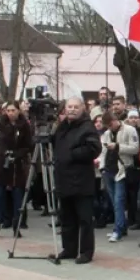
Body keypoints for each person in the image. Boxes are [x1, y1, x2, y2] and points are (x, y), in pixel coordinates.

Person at [52, 98, 103, 263]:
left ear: (82, 109)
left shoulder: (87, 127)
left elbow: (94, 148)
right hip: (64, 179)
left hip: (81, 180)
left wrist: (72, 154)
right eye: (69, 107)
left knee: (84, 219)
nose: (72, 110)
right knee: (67, 218)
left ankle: (86, 252)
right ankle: (69, 249)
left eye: (75, 107)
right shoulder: (62, 127)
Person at [0, 101, 34, 238]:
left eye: (13, 110)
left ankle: (16, 225)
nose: (11, 113)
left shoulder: (24, 125)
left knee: (18, 196)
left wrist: (18, 154)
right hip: (2, 163)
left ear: (18, 111)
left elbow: (29, 145)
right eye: (8, 110)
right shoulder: (0, 124)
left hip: (17, 164)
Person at [98, 110, 140, 242]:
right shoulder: (106, 133)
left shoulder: (130, 130)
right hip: (108, 170)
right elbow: (103, 152)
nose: (110, 127)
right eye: (108, 125)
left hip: (121, 170)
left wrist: (117, 146)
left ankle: (118, 230)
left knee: (118, 201)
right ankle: (121, 227)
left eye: (111, 124)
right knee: (114, 201)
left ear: (116, 120)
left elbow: (135, 149)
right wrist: (102, 167)